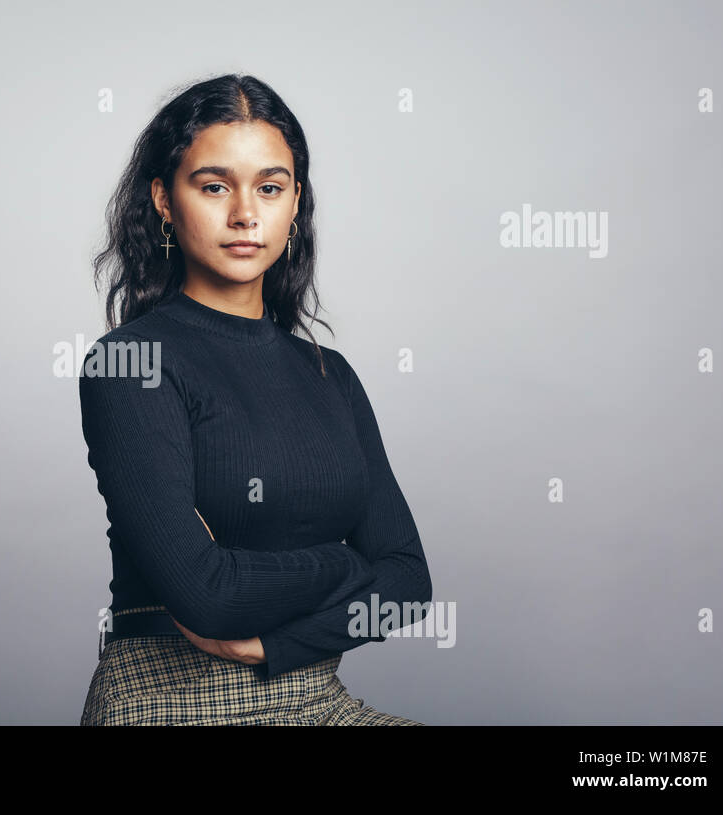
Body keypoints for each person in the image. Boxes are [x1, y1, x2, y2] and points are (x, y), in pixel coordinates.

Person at [77, 73, 433, 725]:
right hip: (171, 702)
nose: (245, 213)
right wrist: (349, 563)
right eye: (214, 186)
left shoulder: (332, 375)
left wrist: (281, 641)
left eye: (269, 187)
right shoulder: (132, 365)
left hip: (314, 692)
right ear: (162, 198)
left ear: (295, 201)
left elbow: (408, 584)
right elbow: (208, 599)